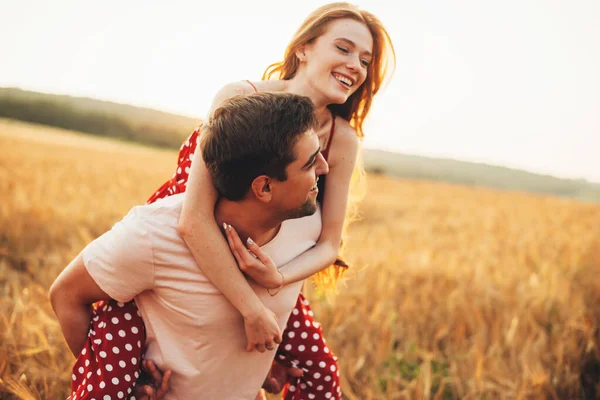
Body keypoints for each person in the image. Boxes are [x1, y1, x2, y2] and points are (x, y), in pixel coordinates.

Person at [66, 2, 396, 399]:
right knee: (125, 372)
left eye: (365, 59)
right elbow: (194, 217)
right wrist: (251, 310)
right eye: (343, 49)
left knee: (321, 376)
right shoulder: (242, 99)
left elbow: (328, 243)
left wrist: (277, 281)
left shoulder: (340, 139)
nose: (356, 66)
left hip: (264, 268)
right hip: (184, 255)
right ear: (304, 48)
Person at [50, 92, 330, 399]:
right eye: (309, 163)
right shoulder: (152, 235)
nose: (325, 168)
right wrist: (127, 384)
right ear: (264, 187)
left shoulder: (307, 226)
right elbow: (66, 294)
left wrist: (265, 364)